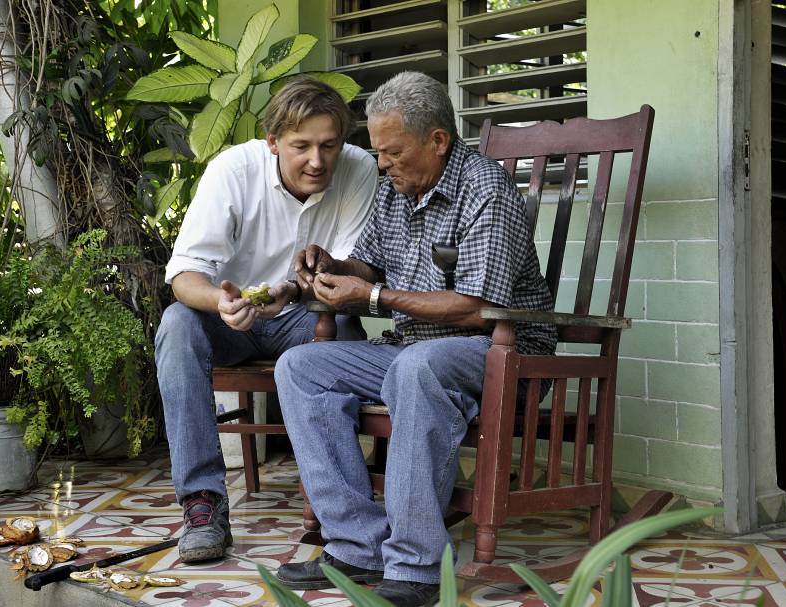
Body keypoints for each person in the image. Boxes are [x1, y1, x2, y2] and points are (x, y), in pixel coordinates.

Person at [273, 71, 557, 607]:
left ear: (438, 141)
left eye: (392, 152)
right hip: (417, 354)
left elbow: (476, 309)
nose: (382, 164)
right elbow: (368, 262)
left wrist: (373, 297)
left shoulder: (487, 192)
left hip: (507, 358)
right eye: (377, 152)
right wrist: (330, 264)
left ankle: (416, 565)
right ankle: (357, 546)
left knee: (416, 366)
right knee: (299, 367)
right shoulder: (397, 190)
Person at [155, 75, 377, 563]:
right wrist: (222, 302)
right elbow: (183, 276)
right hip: (229, 319)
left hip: (306, 316)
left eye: (328, 145)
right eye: (301, 146)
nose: (317, 161)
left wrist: (296, 289)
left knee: (342, 332)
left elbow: (356, 269)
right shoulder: (233, 170)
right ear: (273, 142)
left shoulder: (359, 168)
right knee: (176, 324)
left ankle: (338, 504)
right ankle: (203, 504)